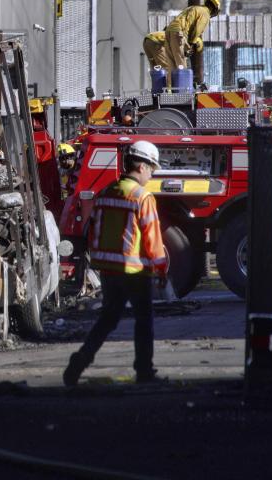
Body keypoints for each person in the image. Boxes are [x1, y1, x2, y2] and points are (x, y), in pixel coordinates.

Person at [63, 140, 168, 386]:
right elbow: (153, 239)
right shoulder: (143, 198)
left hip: (109, 269)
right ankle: (144, 372)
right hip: (135, 271)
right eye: (152, 169)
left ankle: (79, 362)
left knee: (108, 319)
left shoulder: (107, 192)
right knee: (144, 321)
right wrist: (161, 268)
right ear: (141, 166)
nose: (151, 174)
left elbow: (93, 231)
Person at [164, 0, 220, 87]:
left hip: (169, 31)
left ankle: (169, 90)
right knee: (181, 64)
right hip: (179, 32)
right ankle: (183, 91)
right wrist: (191, 44)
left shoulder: (193, 8)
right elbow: (197, 30)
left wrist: (186, 46)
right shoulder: (205, 13)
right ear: (213, 9)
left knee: (171, 65)